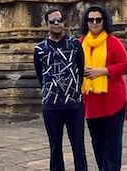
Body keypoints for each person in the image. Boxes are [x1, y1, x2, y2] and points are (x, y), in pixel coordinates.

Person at [33, 9, 87, 171]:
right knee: (55, 146)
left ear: (65, 23)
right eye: (52, 21)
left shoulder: (75, 45)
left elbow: (81, 69)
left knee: (78, 145)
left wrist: (73, 90)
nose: (56, 24)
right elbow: (40, 75)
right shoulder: (40, 49)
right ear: (47, 25)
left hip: (74, 104)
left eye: (59, 20)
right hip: (51, 106)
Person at [79, 5, 127, 171]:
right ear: (86, 22)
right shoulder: (80, 43)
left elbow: (124, 65)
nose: (94, 23)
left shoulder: (113, 42)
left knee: (113, 144)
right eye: (90, 20)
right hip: (91, 101)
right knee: (98, 142)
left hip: (113, 101)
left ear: (104, 22)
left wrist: (102, 71)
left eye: (98, 20)